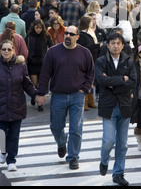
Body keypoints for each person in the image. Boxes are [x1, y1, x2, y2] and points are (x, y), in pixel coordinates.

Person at [36, 26, 95, 170]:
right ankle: (62, 143)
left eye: (71, 34)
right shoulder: (53, 52)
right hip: (58, 95)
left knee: (76, 128)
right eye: (66, 33)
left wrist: (85, 89)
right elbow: (45, 74)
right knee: (56, 127)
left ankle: (73, 157)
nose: (67, 36)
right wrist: (41, 93)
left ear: (77, 37)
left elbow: (91, 73)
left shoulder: (85, 53)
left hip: (77, 96)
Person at [95, 32, 137, 186]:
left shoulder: (128, 61)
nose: (115, 46)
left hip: (124, 104)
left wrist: (113, 83)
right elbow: (101, 80)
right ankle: (104, 161)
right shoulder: (101, 61)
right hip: (108, 105)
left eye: (118, 43)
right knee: (108, 140)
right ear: (107, 45)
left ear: (123, 45)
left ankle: (118, 173)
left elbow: (133, 82)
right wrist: (121, 80)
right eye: (112, 43)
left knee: (123, 143)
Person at [0, 40, 38, 171]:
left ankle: (11, 160)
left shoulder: (20, 65)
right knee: (2, 134)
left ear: (13, 51)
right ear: (0, 51)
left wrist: (35, 95)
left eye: (9, 49)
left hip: (17, 105)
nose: (6, 51)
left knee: (14, 135)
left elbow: (27, 83)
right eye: (4, 49)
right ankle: (3, 152)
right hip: (1, 105)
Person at [25, 19, 53, 112]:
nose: (38, 30)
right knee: (34, 84)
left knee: (41, 84)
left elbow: (51, 46)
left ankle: (39, 104)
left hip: (43, 63)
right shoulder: (29, 36)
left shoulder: (46, 36)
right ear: (34, 27)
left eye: (40, 28)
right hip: (32, 63)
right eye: (37, 28)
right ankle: (34, 97)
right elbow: (25, 47)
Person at [77, 15, 100, 111]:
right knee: (87, 79)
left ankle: (90, 101)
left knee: (92, 79)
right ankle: (85, 102)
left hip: (93, 58)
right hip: (86, 59)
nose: (92, 23)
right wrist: (97, 45)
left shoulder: (90, 32)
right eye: (91, 21)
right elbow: (86, 46)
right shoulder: (82, 34)